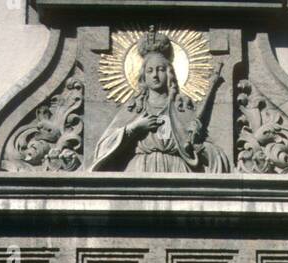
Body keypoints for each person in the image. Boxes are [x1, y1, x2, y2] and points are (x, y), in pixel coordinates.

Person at [92, 32, 229, 173]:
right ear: (143, 76)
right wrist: (135, 127)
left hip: (177, 169)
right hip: (140, 169)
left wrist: (196, 146)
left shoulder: (180, 107)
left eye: (160, 70)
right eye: (150, 71)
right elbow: (104, 146)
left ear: (169, 73)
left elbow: (206, 148)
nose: (155, 76)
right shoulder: (135, 107)